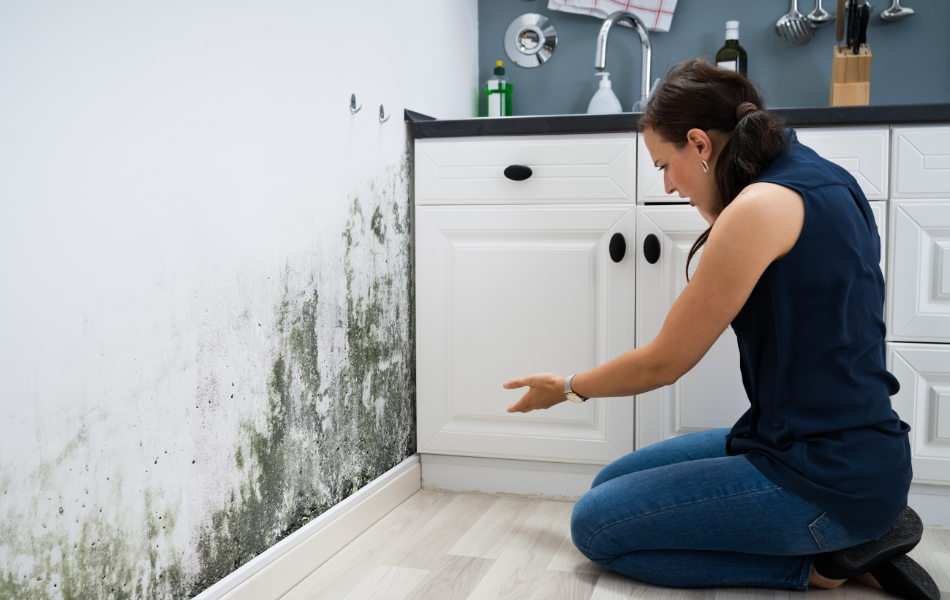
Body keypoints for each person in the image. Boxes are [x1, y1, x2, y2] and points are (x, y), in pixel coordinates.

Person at [501, 58, 940, 600]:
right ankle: (857, 537)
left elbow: (665, 361)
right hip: (828, 449)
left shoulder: (758, 208)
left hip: (825, 476)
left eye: (665, 165)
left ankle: (827, 565)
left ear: (700, 144)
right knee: (607, 486)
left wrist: (565, 388)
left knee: (595, 526)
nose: (665, 186)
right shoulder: (822, 176)